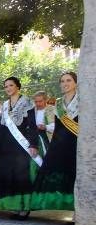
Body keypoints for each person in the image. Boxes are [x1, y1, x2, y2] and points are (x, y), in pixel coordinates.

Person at [0, 76, 40, 220]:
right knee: (9, 174)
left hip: (21, 144)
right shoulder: (5, 105)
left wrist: (33, 144)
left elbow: (32, 125)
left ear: (18, 86)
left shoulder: (27, 102)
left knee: (21, 175)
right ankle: (15, 206)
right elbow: (2, 127)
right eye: (5, 86)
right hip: (6, 145)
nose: (8, 88)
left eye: (10, 85)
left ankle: (24, 208)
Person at [31, 72, 78, 212]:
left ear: (76, 82)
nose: (65, 83)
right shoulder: (58, 103)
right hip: (60, 144)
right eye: (62, 81)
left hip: (77, 143)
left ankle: (79, 210)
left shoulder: (83, 100)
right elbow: (58, 127)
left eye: (68, 80)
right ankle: (67, 207)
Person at [33, 90, 56, 155]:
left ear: (46, 100)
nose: (38, 104)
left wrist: (46, 127)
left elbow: (60, 126)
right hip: (35, 141)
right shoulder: (31, 111)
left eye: (40, 101)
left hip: (49, 139)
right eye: (36, 102)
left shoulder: (54, 110)